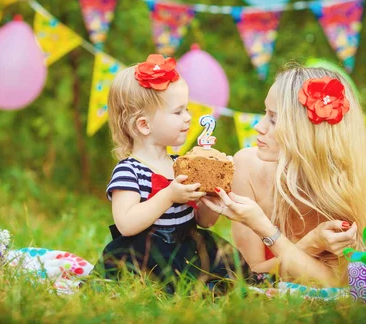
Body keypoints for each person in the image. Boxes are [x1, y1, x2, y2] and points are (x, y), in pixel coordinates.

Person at [202, 65, 366, 287]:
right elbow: (254, 277)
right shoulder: (247, 166)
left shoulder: (364, 174)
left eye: (274, 120)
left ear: (307, 131)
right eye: (265, 114)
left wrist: (267, 229)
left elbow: (342, 281)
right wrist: (312, 243)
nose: (259, 127)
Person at [91, 54, 249, 292]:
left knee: (222, 277)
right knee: (160, 286)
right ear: (144, 125)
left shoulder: (182, 164)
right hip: (145, 255)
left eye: (187, 109)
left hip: (187, 247)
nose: (188, 118)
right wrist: (168, 196)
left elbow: (203, 222)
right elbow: (126, 224)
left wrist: (213, 196)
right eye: (178, 112)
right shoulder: (129, 170)